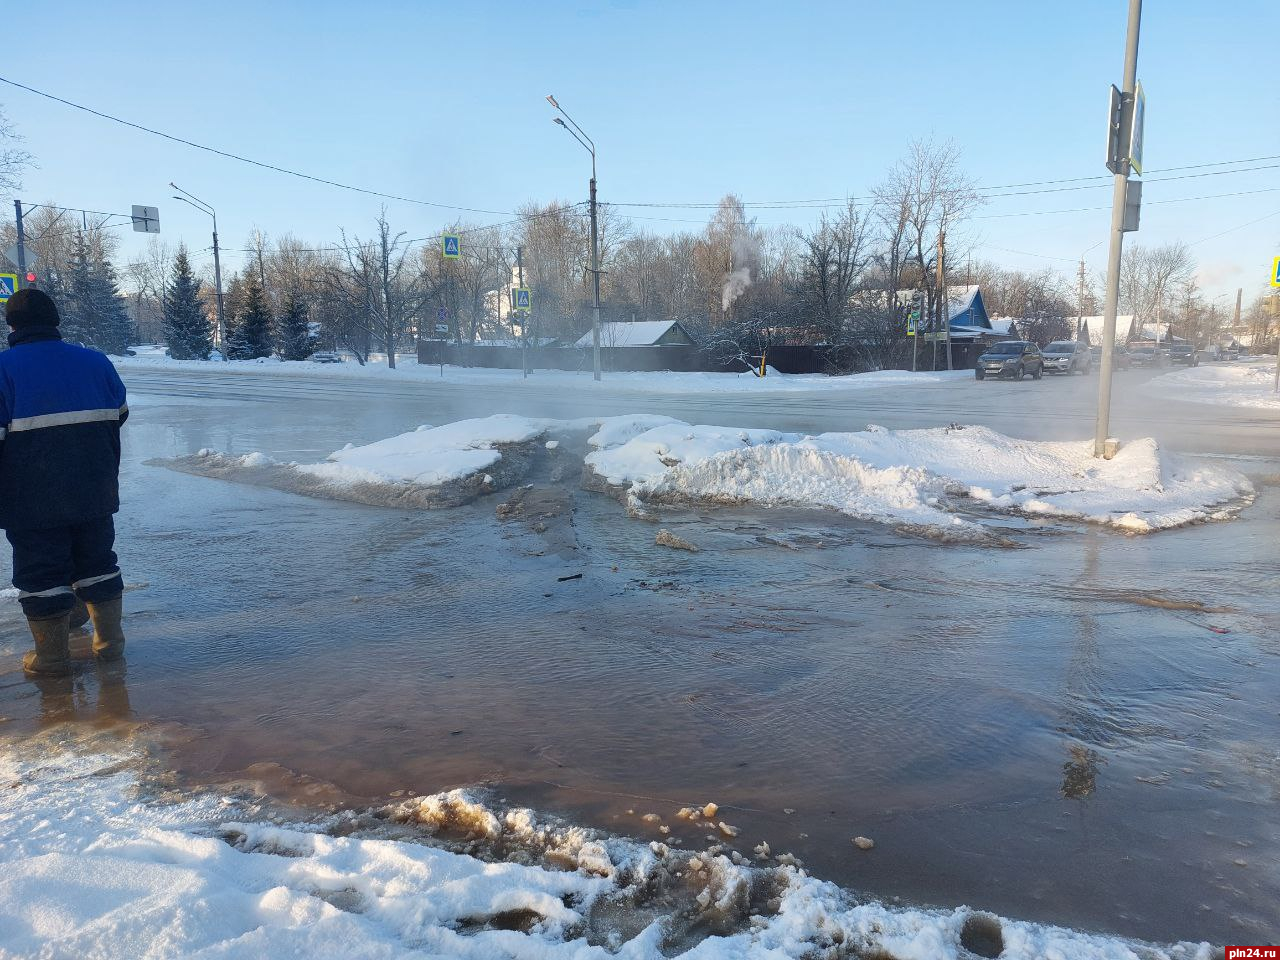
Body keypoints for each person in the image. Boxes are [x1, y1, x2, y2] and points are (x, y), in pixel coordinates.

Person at [0, 288, 129, 676]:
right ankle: (109, 645)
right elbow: (118, 413)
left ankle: (52, 659)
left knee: (41, 571)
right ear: (55, 321)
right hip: (94, 486)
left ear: (12, 324)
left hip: (31, 496)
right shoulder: (95, 361)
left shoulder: (4, 368)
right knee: (98, 560)